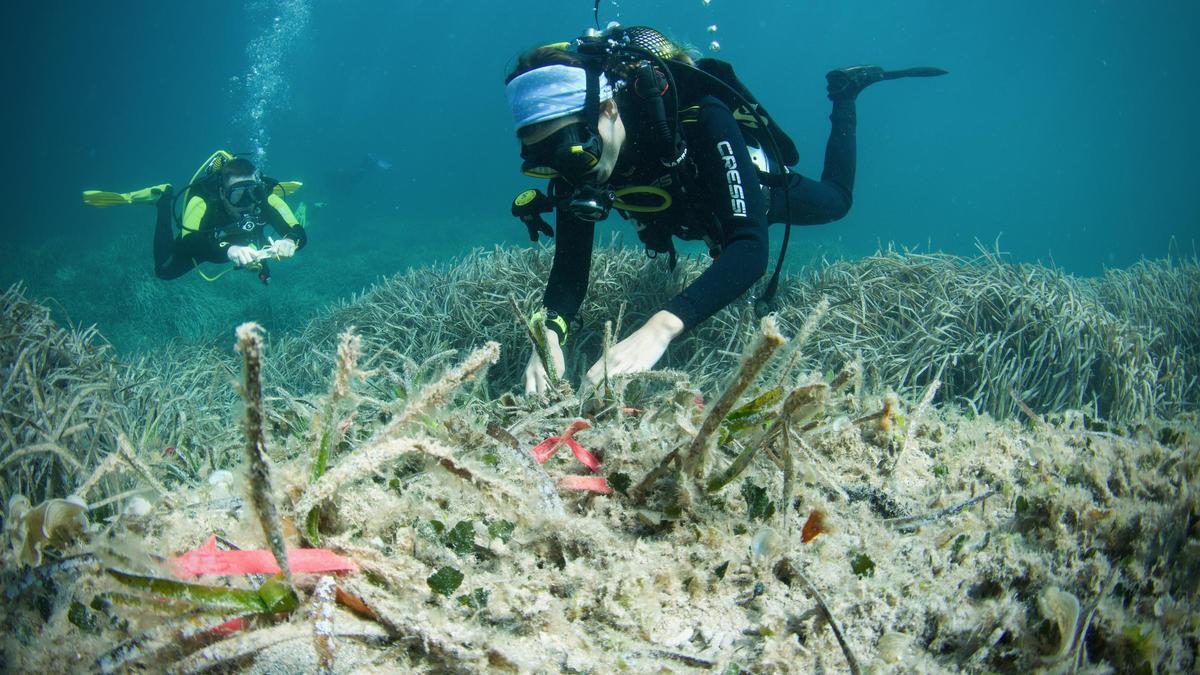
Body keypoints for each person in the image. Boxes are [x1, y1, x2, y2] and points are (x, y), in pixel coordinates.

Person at [505, 25, 945, 394]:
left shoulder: (699, 116)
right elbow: (568, 276)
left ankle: (846, 94)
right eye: (542, 157)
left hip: (748, 192)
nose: (565, 170)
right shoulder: (573, 165)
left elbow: (750, 248)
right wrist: (547, 336)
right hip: (678, 211)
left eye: (571, 147)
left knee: (836, 202)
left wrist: (660, 327)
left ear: (608, 107)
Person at [149, 154, 307, 282]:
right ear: (222, 194)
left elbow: (297, 231)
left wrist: (289, 241)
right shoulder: (202, 200)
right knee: (164, 270)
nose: (246, 202)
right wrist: (229, 250)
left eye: (253, 192)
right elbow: (189, 241)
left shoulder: (265, 198)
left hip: (240, 240)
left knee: (255, 237)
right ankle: (163, 198)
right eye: (237, 195)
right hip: (208, 241)